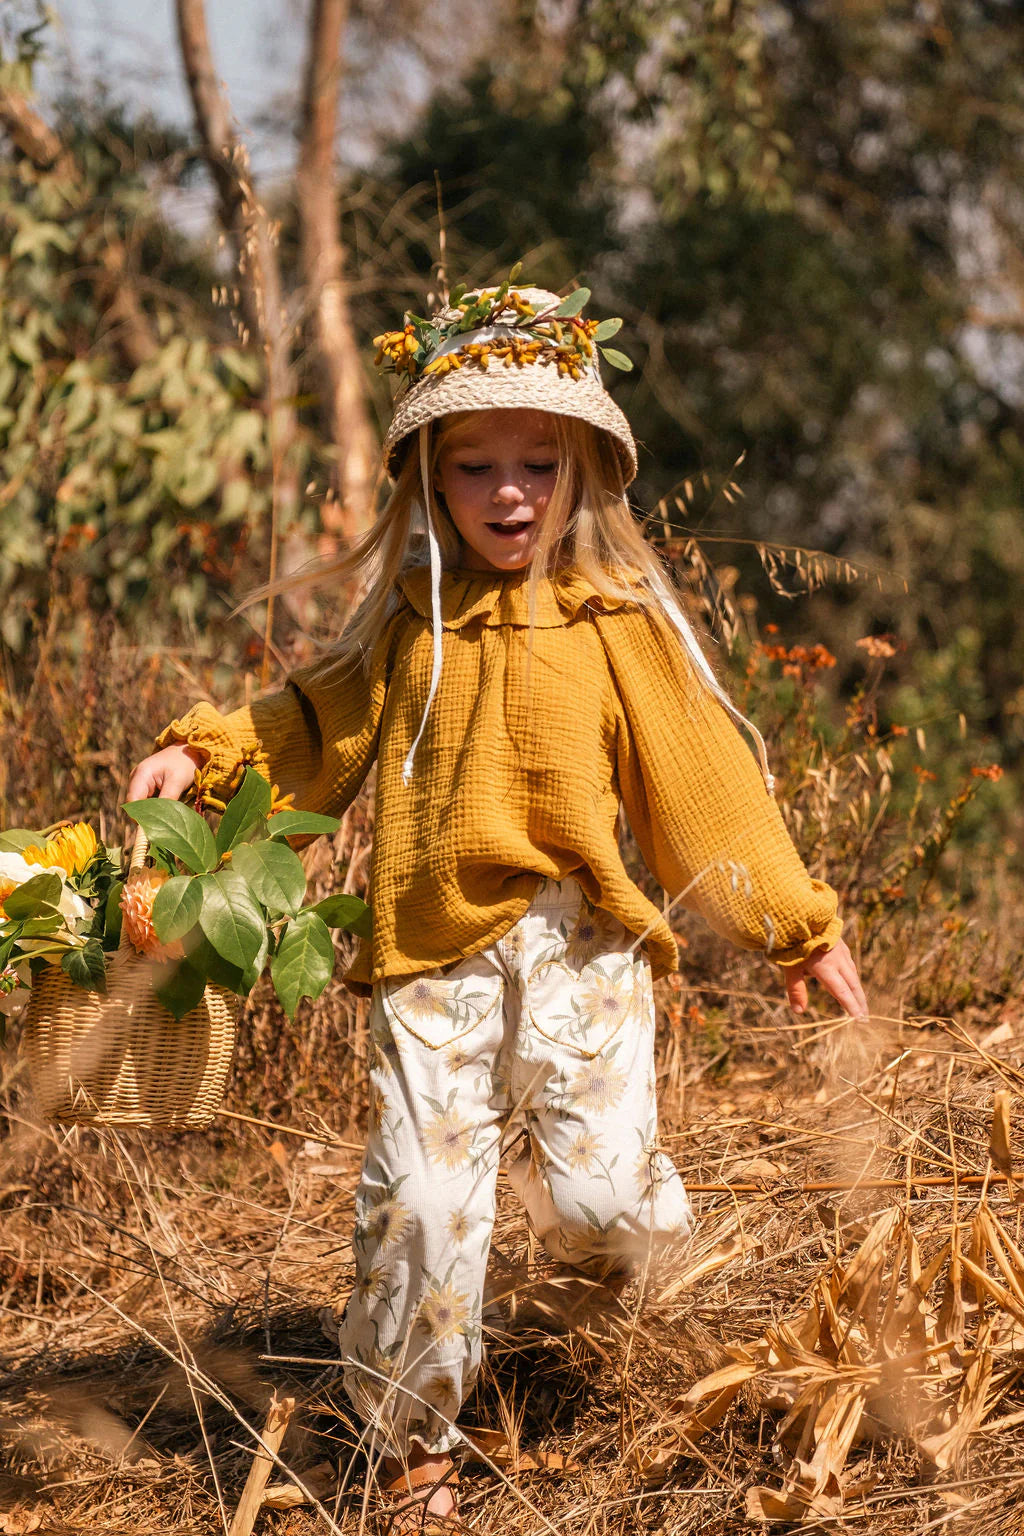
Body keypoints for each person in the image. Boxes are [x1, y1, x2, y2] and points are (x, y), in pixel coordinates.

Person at [127, 280, 867, 1530]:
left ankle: (604, 1278)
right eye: (475, 465)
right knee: (421, 1201)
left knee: (599, 1208)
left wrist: (796, 925)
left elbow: (706, 790)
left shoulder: (615, 622)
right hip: (430, 958)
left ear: (584, 473)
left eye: (539, 463)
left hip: (584, 954)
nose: (509, 491)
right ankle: (412, 1438)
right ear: (429, 476)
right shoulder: (409, 626)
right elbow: (308, 723)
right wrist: (204, 755)